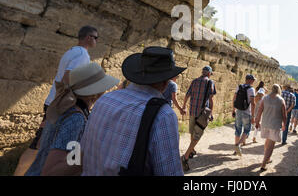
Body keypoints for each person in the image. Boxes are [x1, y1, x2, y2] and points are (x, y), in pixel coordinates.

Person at [80, 46, 186, 176]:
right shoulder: (163, 115)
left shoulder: (105, 99)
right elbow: (170, 172)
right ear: (165, 83)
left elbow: (84, 149)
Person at [14, 25, 98, 176]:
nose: (96, 41)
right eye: (95, 38)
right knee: (39, 147)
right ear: (89, 37)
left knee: (42, 144)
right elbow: (68, 77)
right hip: (62, 104)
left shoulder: (71, 51)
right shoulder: (82, 55)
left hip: (54, 102)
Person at [25, 62, 119, 176]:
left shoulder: (63, 107)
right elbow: (51, 171)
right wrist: (91, 153)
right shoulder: (76, 118)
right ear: (94, 94)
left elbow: (63, 153)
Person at [180, 66, 216, 171]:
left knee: (192, 132)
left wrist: (183, 106)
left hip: (192, 111)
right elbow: (211, 99)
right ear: (209, 73)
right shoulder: (210, 82)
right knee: (197, 135)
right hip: (202, 113)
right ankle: (185, 157)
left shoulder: (195, 81)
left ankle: (192, 150)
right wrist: (211, 112)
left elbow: (187, 94)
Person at [255, 84, 286, 171]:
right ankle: (264, 164)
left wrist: (257, 121)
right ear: (279, 90)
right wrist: (285, 124)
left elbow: (259, 111)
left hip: (265, 124)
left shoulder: (265, 98)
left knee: (267, 141)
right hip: (275, 125)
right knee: (271, 145)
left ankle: (267, 158)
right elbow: (284, 115)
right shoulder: (281, 100)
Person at [232, 74, 256, 156]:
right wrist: (253, 116)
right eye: (253, 80)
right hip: (247, 112)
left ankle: (236, 150)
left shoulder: (239, 87)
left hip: (238, 111)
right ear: (250, 80)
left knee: (237, 130)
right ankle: (237, 145)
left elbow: (234, 98)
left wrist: (233, 110)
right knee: (247, 130)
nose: (253, 81)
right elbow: (253, 104)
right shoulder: (251, 90)